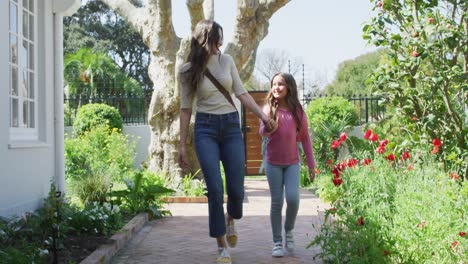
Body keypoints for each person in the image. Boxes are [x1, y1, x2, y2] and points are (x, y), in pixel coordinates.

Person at [178, 20, 274, 264]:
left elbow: (241, 93)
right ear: (204, 40)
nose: (220, 44)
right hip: (205, 129)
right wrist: (181, 145)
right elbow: (185, 109)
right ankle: (221, 245)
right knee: (215, 188)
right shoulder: (187, 70)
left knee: (236, 188)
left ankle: (231, 219)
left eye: (221, 39)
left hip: (231, 127)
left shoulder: (227, 61)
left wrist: (263, 116)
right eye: (216, 39)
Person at [259, 72, 316, 258]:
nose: (276, 87)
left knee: (293, 199)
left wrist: (311, 164)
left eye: (281, 84)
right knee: (277, 202)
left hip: (292, 163)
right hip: (273, 163)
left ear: (289, 87)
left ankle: (289, 230)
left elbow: (305, 138)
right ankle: (277, 242)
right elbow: (261, 131)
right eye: (274, 84)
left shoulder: (297, 110)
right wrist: (268, 126)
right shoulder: (268, 108)